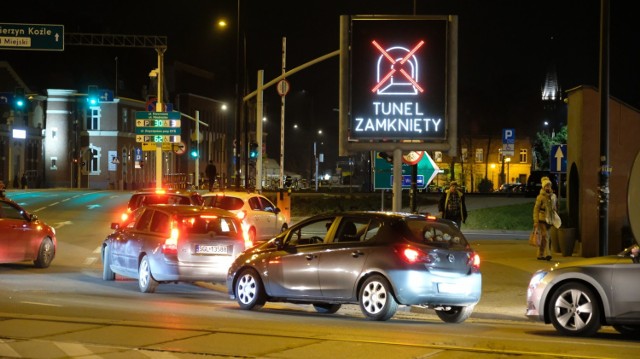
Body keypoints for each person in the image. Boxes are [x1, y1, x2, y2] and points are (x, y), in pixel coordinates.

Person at [532, 176, 556, 261]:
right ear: (543, 186)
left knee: (544, 237)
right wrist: (535, 221)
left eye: (549, 185)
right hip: (542, 219)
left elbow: (554, 208)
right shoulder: (540, 197)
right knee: (546, 236)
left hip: (549, 219)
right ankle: (548, 254)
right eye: (546, 186)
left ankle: (540, 254)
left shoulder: (552, 196)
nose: (548, 187)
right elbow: (536, 209)